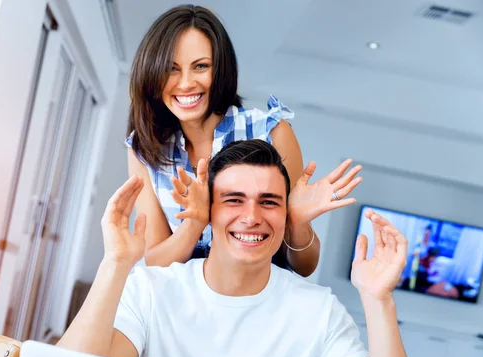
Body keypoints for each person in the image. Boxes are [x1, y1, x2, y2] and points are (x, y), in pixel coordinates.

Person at [59, 140, 421, 357]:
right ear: (209, 212)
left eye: (269, 202)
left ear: (285, 216)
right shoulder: (152, 289)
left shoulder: (318, 311)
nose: (252, 217)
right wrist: (115, 264)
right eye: (234, 200)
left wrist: (379, 301)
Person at [126, 4, 362, 274]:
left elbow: (304, 266)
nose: (186, 83)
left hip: (256, 304)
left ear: (221, 70)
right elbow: (154, 261)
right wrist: (195, 222)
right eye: (172, 69)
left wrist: (297, 222)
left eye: (200, 66)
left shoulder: (271, 131)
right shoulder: (144, 148)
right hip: (180, 307)